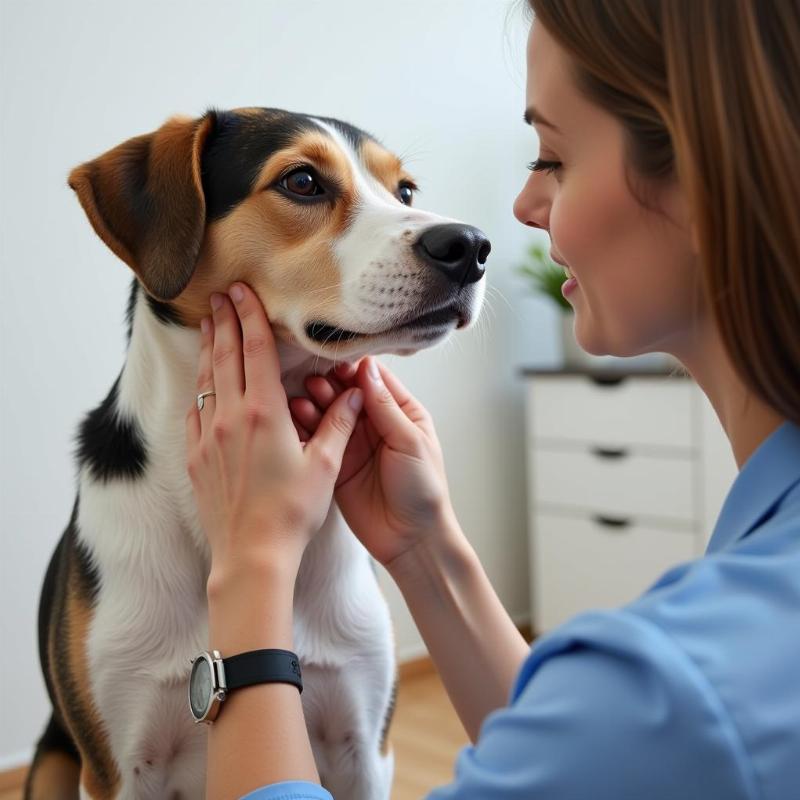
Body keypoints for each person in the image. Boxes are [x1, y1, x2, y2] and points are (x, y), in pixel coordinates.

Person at [184, 0, 800, 797]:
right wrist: (425, 546)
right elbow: (595, 766)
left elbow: (643, 732)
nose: (520, 209)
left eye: (551, 159)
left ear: (711, 170)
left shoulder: (687, 693)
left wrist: (253, 563)